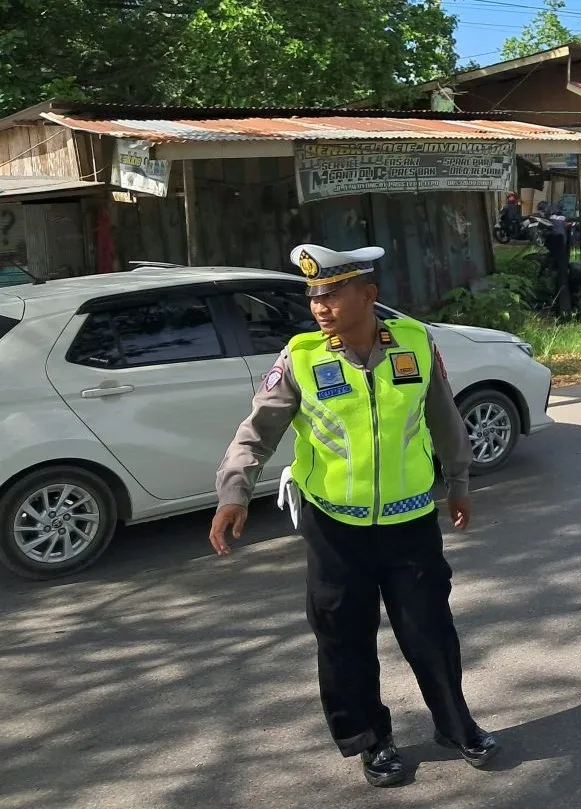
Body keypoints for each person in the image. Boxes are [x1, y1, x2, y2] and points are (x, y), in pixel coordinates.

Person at [210, 244, 497, 788]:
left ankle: (456, 725)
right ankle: (370, 740)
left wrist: (458, 484)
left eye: (333, 292)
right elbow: (257, 431)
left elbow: (444, 418)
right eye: (314, 294)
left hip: (409, 521)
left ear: (370, 294)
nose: (320, 305)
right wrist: (233, 492)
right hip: (334, 526)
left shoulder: (415, 343)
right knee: (344, 638)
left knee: (430, 629)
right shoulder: (301, 357)